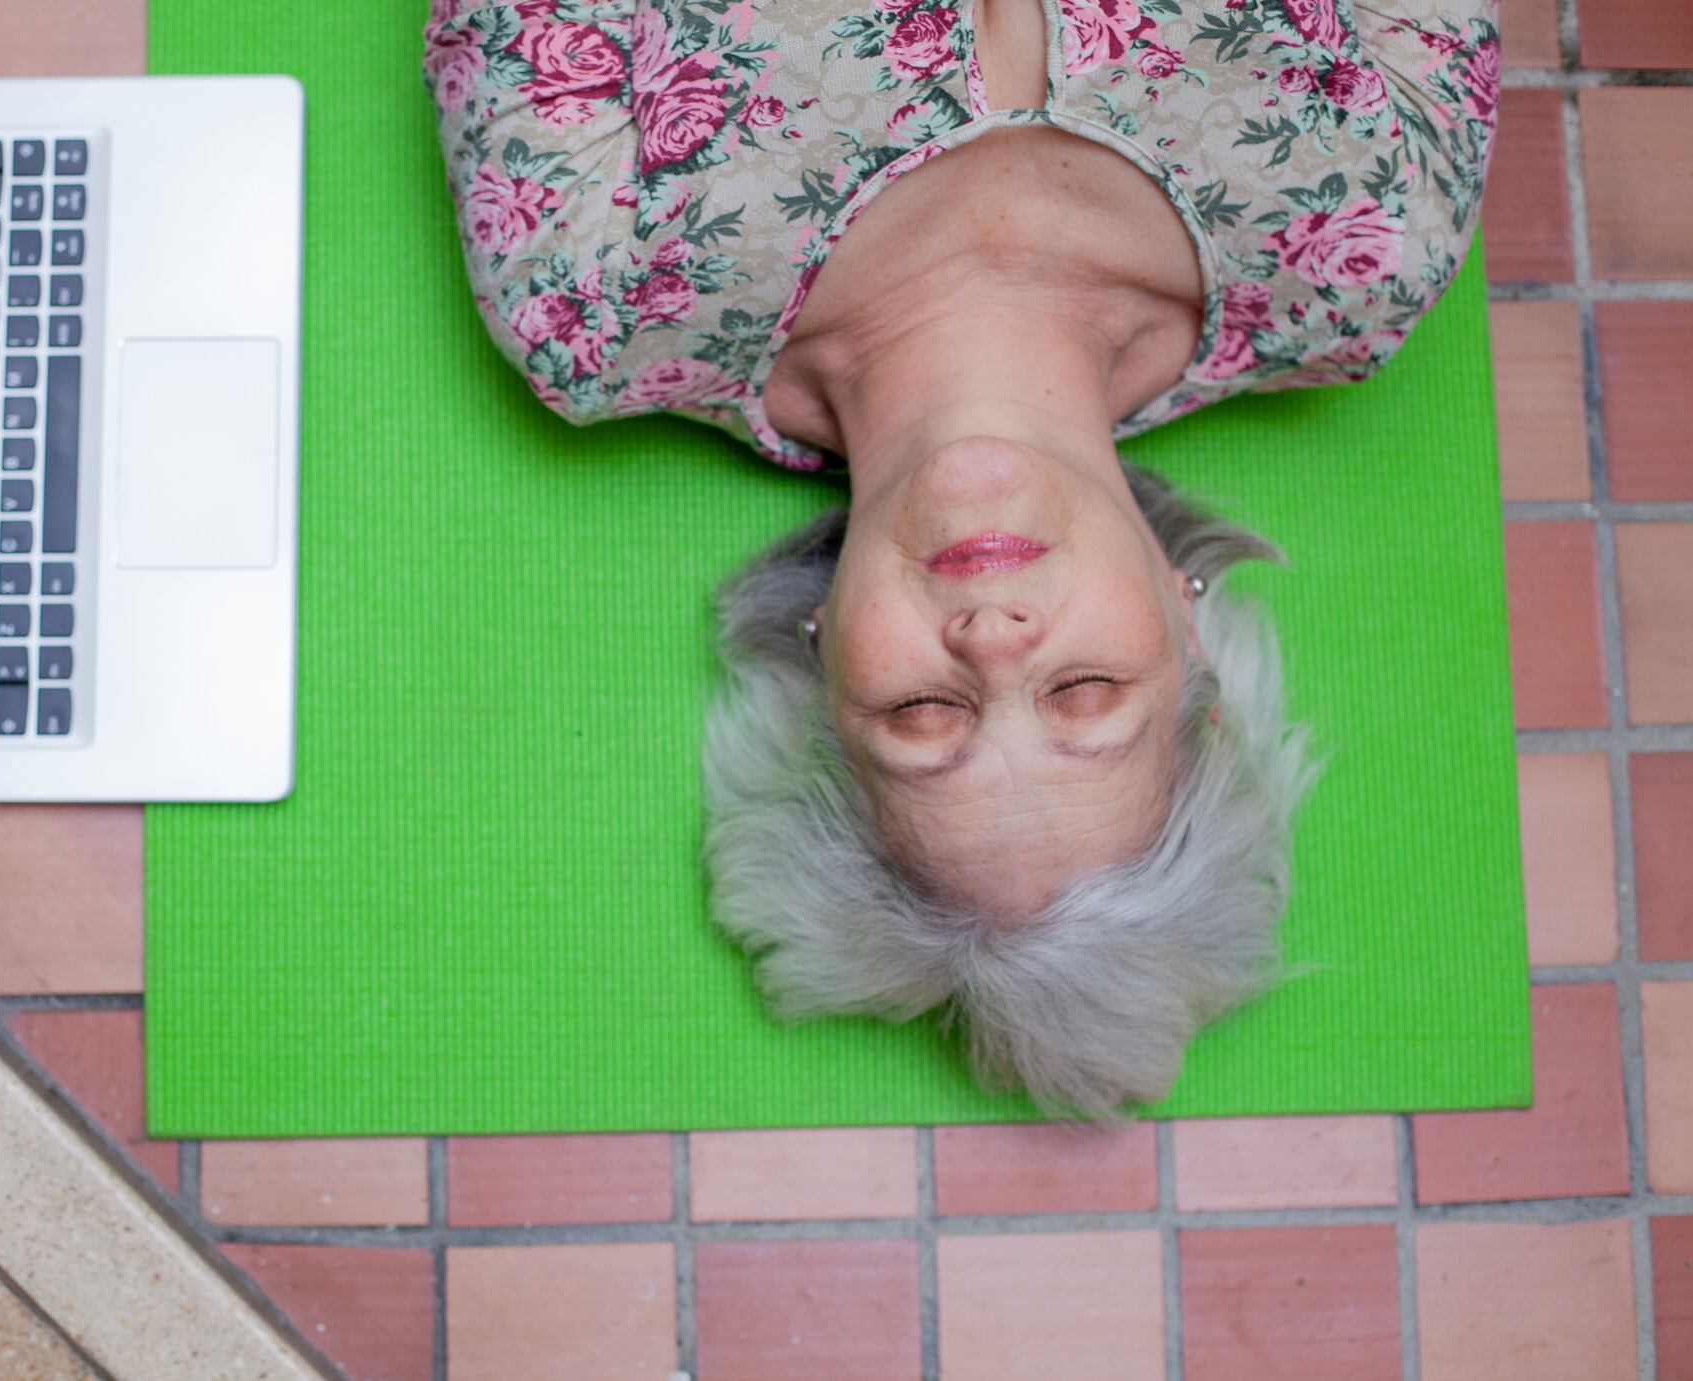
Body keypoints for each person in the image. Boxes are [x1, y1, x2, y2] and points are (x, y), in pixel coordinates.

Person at [424, 0, 1500, 1115]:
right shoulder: (1375, 241)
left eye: (924, 714)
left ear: (819, 668)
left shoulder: (587, 294)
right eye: (1084, 691)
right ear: (1188, 632)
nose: (992, 641)